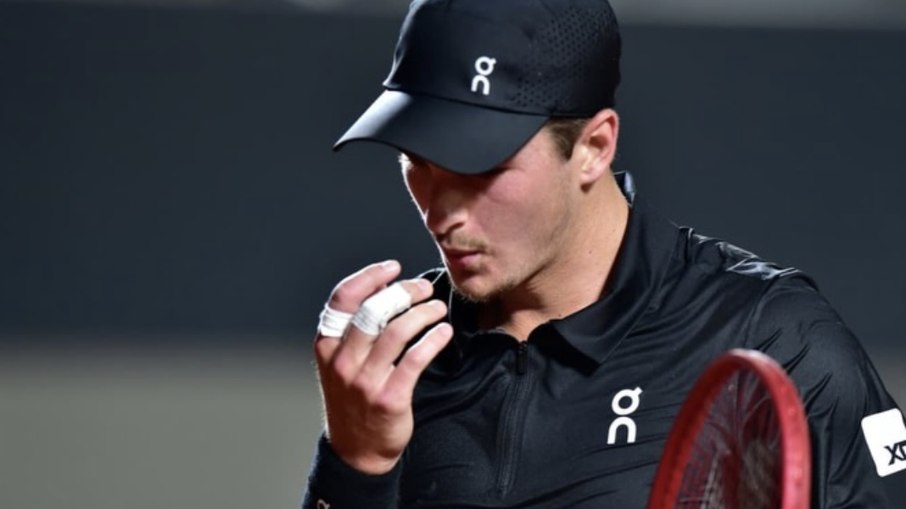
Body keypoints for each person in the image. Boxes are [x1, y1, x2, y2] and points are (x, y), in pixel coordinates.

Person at [302, 0, 905, 507]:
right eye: (418, 161)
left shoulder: (777, 336)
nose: (442, 213)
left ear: (594, 146)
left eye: (480, 168)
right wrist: (355, 464)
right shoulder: (399, 363)